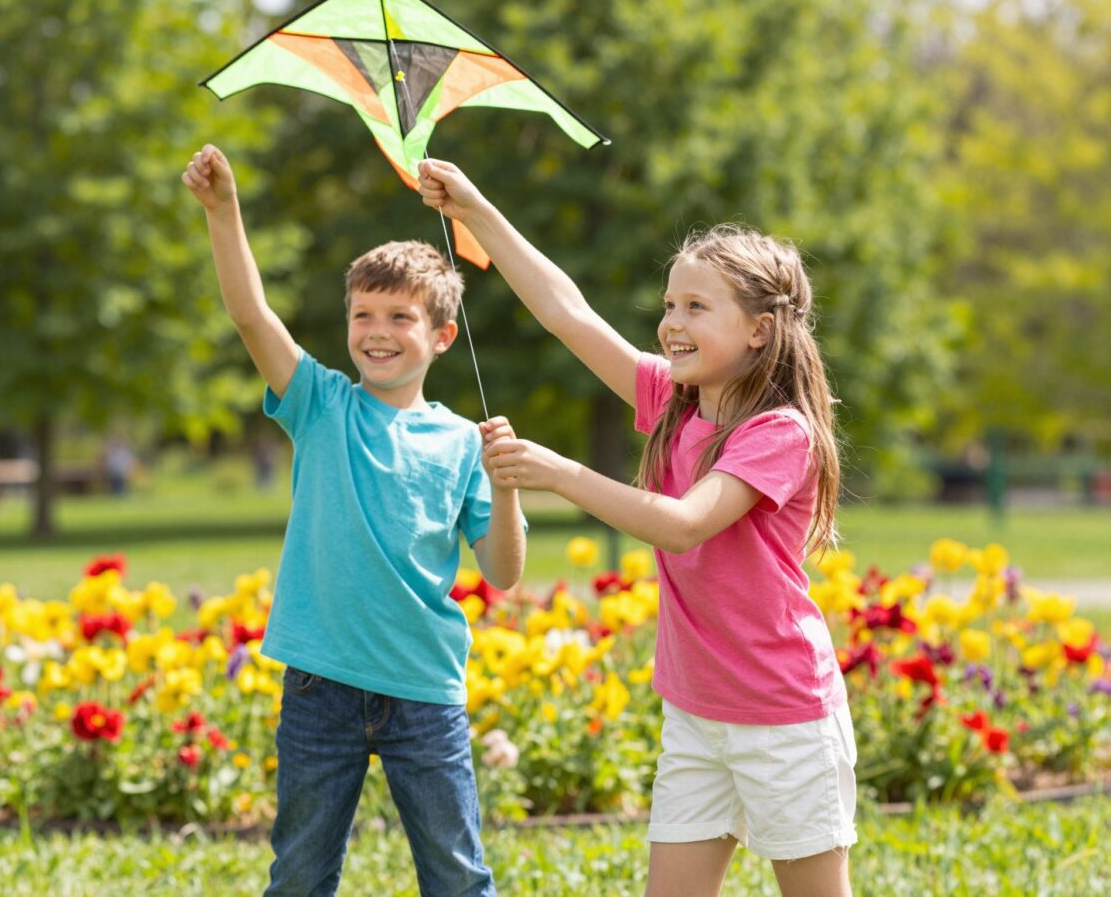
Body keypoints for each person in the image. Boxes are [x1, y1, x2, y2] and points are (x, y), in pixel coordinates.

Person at [419, 161, 855, 897]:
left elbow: (684, 526)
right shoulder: (675, 400)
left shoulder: (779, 432)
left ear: (760, 329)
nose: (671, 323)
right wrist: (477, 209)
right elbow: (568, 314)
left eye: (696, 307)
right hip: (696, 712)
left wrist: (561, 474)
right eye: (670, 304)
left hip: (782, 716)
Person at [183, 144, 526, 896]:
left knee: (458, 876)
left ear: (442, 336)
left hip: (424, 689)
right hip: (321, 687)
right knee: (300, 875)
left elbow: (503, 571)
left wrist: (505, 487)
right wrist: (224, 210)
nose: (377, 330)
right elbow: (250, 315)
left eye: (400, 316)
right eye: (363, 313)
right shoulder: (320, 403)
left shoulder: (463, 442)